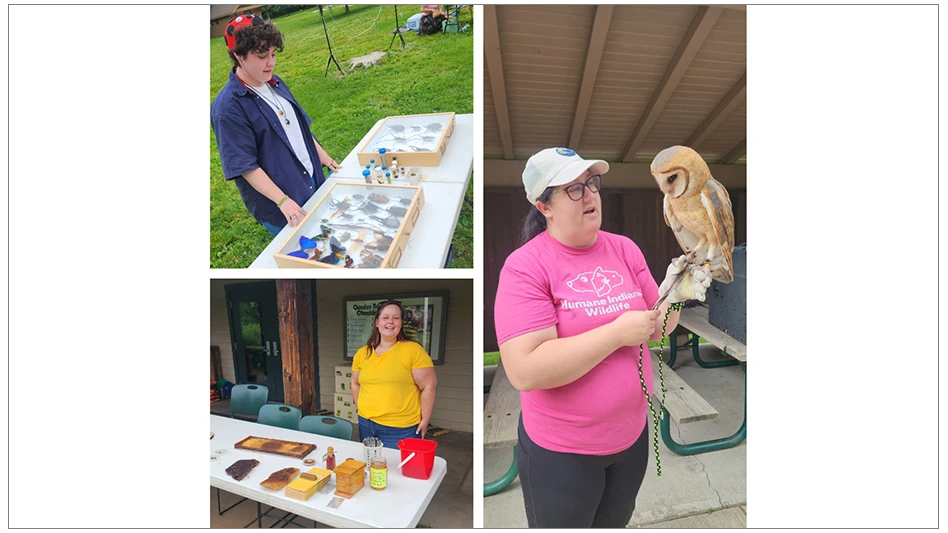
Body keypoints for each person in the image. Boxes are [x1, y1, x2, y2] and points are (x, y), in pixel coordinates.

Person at [493, 147, 712, 528]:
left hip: (631, 439)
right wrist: (614, 334)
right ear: (544, 207)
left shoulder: (624, 248)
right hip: (563, 453)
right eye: (574, 189)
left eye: (592, 183)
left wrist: (677, 296)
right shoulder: (525, 267)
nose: (591, 194)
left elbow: (657, 328)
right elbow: (525, 370)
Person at [211, 14, 342, 237]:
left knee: (331, 238)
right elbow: (244, 165)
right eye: (262, 56)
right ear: (238, 56)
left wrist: (325, 158)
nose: (271, 62)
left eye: (272, 54)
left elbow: (299, 129)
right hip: (281, 203)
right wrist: (282, 201)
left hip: (310, 179)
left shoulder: (275, 82)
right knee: (306, 258)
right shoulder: (228, 108)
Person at [351, 300, 438, 449]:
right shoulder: (362, 353)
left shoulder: (413, 350)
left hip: (401, 428)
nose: (390, 321)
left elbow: (429, 386)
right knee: (372, 467)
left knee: (399, 470)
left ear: (401, 323)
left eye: (396, 318)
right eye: (385, 317)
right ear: (377, 322)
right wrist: (361, 408)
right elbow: (355, 382)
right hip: (367, 424)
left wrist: (425, 419)